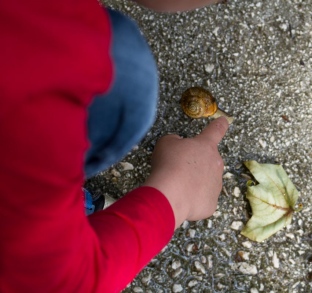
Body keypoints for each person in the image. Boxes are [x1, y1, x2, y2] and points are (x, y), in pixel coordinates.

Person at [0, 0, 228, 292]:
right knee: (122, 76)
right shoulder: (33, 96)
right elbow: (62, 282)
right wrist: (179, 194)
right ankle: (38, 208)